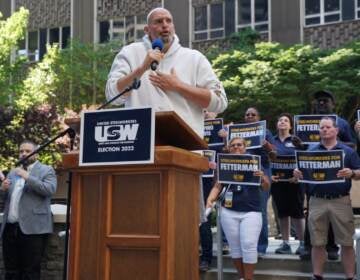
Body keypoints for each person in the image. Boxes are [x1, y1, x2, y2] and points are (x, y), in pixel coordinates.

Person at [105, 7, 228, 138]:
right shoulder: (129, 53)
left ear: (173, 26)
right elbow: (112, 94)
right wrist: (142, 68)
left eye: (168, 21)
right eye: (158, 21)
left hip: (186, 146)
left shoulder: (194, 58)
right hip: (140, 144)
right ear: (147, 30)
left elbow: (220, 102)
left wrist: (178, 86)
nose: (165, 25)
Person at [293, 117, 360, 280]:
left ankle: (350, 277)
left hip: (341, 200)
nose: (324, 130)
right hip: (316, 201)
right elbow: (300, 176)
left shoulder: (348, 151)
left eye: (328, 127)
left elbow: (359, 172)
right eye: (321, 127)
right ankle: (317, 276)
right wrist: (297, 174)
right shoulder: (310, 151)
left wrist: (352, 173)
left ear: (336, 130)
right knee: (317, 242)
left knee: (346, 242)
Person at [296, 90, 356, 260]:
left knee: (332, 213)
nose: (321, 104)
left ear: (332, 104)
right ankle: (308, 246)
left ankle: (331, 247)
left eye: (325, 101)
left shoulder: (342, 123)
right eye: (318, 101)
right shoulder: (304, 122)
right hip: (313, 176)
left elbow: (352, 145)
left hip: (334, 175)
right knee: (312, 212)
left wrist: (332, 143)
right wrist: (300, 146)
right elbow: (304, 150)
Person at [206, 137, 270, 280]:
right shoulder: (225, 163)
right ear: (228, 148)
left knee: (248, 244)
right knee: (235, 247)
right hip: (229, 210)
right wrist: (210, 199)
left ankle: (248, 278)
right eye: (233, 145)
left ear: (245, 147)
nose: (236, 147)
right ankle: (241, 277)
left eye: (239, 145)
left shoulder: (254, 161)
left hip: (251, 210)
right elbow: (218, 185)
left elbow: (266, 187)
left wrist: (263, 177)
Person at [0, 140, 57, 280]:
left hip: (34, 229)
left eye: (27, 151)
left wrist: (27, 176)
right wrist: (2, 189)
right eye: (21, 151)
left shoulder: (46, 170)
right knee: (11, 270)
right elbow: (5, 198)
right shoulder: (13, 172)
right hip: (10, 228)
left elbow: (49, 190)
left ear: (36, 154)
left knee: (30, 271)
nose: (23, 153)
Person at [271, 113, 305, 254]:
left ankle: (303, 244)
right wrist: (270, 175)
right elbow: (267, 160)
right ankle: (285, 244)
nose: (282, 122)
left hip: (295, 183)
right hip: (278, 183)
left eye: (286, 120)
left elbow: (304, 158)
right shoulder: (271, 141)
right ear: (277, 124)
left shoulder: (296, 140)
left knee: (297, 213)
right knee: (282, 213)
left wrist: (299, 174)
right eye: (280, 120)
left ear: (291, 125)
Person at [243, 107, 276, 255]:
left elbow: (275, 154)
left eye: (253, 114)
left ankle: (261, 247)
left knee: (260, 208)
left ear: (259, 117)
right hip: (242, 171)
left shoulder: (266, 132)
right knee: (243, 208)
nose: (250, 116)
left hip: (262, 169)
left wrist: (267, 145)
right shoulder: (239, 132)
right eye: (247, 114)